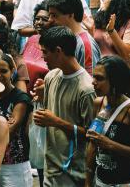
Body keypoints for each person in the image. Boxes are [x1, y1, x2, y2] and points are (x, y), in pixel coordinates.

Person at [33, 26, 96, 186]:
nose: (43, 57)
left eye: (45, 52)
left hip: (73, 173)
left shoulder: (86, 89)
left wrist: (55, 122)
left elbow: (93, 136)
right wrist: (42, 97)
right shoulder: (51, 76)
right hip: (50, 168)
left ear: (58, 51)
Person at [85, 55, 130, 187]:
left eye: (99, 78)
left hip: (127, 183)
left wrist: (111, 145)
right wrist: (88, 181)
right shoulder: (98, 103)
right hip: (100, 182)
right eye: (94, 76)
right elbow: (92, 146)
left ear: (115, 81)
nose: (93, 82)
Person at [0, 53, 33, 186]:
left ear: (12, 72)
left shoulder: (21, 99)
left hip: (15, 165)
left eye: (3, 71)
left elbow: (9, 131)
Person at [94, 0, 130, 104]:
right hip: (103, 69)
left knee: (123, 108)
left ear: (116, 1)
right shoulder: (102, 16)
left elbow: (126, 52)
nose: (103, 0)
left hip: (125, 72)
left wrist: (112, 31)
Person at [46, 0, 101, 76]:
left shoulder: (84, 44)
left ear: (71, 15)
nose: (50, 20)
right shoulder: (63, 39)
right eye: (49, 15)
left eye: (54, 15)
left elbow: (91, 83)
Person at [22, 2, 49, 92]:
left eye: (45, 19)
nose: (39, 22)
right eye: (37, 19)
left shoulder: (56, 46)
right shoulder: (32, 39)